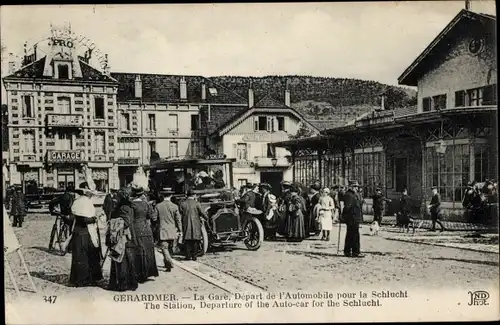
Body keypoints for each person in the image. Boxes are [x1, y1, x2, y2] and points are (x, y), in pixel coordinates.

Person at [69, 182, 103, 287]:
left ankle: (84, 278)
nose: (92, 195)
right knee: (85, 255)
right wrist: (95, 218)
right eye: (90, 193)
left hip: (82, 231)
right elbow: (84, 218)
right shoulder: (83, 202)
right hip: (84, 232)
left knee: (84, 255)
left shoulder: (79, 201)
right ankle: (84, 279)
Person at [107, 186, 138, 292]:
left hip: (122, 237)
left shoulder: (123, 208)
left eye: (117, 196)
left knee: (121, 259)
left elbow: (126, 222)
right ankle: (129, 283)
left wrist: (113, 225)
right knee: (126, 260)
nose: (115, 198)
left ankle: (122, 284)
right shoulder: (128, 206)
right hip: (126, 236)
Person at [129, 182, 159, 283]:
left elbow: (130, 218)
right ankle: (147, 274)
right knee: (147, 251)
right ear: (142, 194)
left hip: (136, 229)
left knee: (138, 251)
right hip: (146, 229)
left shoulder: (131, 204)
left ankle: (138, 274)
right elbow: (152, 217)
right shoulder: (146, 204)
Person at [155, 193, 183, 271]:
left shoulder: (158, 206)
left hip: (162, 230)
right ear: (171, 196)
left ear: (162, 196)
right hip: (172, 231)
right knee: (169, 249)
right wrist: (180, 230)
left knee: (164, 248)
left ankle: (169, 263)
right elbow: (178, 220)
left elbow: (154, 218)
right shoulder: (175, 206)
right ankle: (168, 266)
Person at [179, 189, 207, 261]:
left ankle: (188, 256)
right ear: (194, 195)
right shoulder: (197, 203)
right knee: (195, 239)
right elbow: (202, 213)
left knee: (187, 239)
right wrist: (206, 217)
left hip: (186, 223)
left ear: (187, 195)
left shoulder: (182, 204)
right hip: (196, 223)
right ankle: (194, 256)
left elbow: (180, 213)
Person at [341, 180, 363, 258]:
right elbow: (347, 207)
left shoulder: (354, 194)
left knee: (352, 234)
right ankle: (354, 252)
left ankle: (350, 251)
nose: (356, 188)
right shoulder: (349, 195)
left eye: (357, 187)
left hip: (354, 217)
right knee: (353, 235)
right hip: (351, 218)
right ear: (351, 187)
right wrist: (343, 216)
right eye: (355, 187)